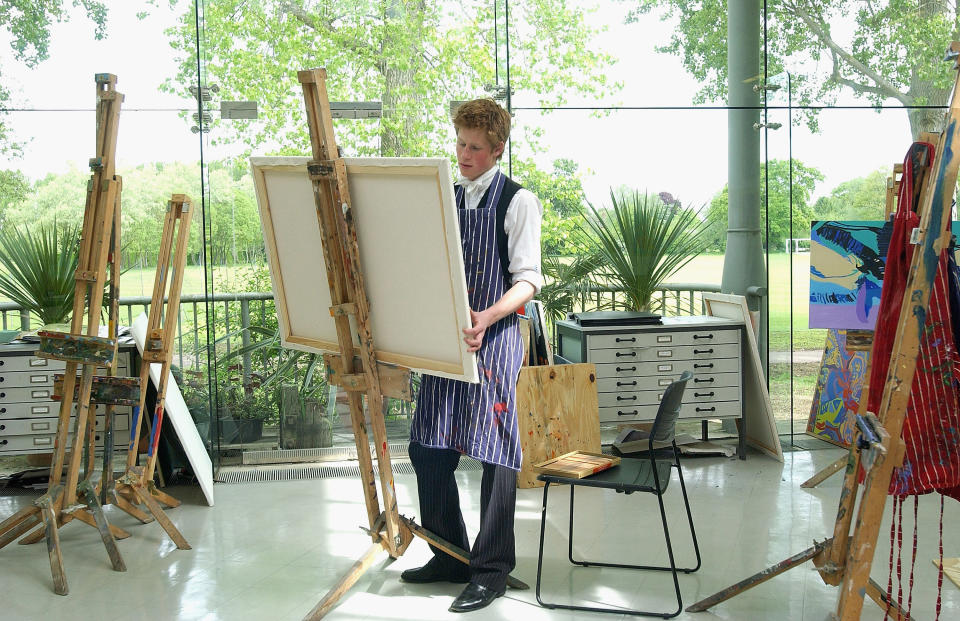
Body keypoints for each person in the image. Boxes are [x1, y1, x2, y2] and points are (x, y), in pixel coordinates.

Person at [402, 98, 542, 613]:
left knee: (496, 457)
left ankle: (490, 571)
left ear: (497, 149)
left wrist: (486, 317)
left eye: (474, 147)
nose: (463, 153)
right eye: (460, 143)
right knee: (428, 448)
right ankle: (450, 554)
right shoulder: (449, 197)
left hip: (497, 339)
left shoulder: (517, 202)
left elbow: (528, 280)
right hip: (448, 342)